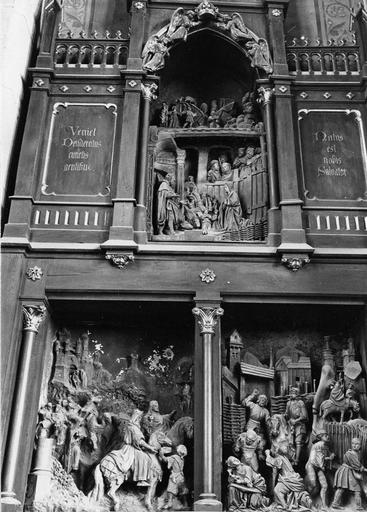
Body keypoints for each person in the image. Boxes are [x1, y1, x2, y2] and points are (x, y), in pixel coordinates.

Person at [108, 409, 157, 487]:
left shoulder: (129, 425)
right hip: (130, 448)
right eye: (140, 418)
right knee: (144, 457)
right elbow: (139, 440)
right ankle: (141, 479)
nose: (140, 420)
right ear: (137, 418)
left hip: (125, 446)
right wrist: (149, 447)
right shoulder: (134, 427)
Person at [265, 440, 313, 510]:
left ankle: (285, 505)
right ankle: (293, 504)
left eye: (287, 447)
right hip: (294, 478)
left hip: (288, 479)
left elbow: (271, 462)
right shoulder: (284, 457)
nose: (286, 449)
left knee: (277, 490)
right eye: (285, 447)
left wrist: (267, 454)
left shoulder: (280, 458)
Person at [331, 437, 367, 510]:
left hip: (350, 472)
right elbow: (356, 465)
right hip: (345, 472)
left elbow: (357, 464)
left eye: (357, 444)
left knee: (356, 489)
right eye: (353, 443)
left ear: (360, 445)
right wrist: (364, 469)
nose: (354, 445)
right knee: (342, 488)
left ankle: (359, 507)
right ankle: (335, 504)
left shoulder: (356, 453)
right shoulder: (350, 453)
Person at [306, 429, 335, 509]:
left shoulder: (325, 446)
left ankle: (324, 505)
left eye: (327, 435)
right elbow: (319, 459)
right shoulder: (320, 444)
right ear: (320, 437)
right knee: (313, 484)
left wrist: (330, 456)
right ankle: (306, 499)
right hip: (311, 466)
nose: (328, 436)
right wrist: (329, 457)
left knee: (325, 486)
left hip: (318, 467)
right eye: (325, 435)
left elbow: (325, 457)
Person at [242, 389, 270, 457]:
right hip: (250, 425)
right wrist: (253, 395)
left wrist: (270, 424)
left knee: (262, 440)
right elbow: (245, 402)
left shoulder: (266, 411)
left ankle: (260, 454)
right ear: (258, 400)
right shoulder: (253, 405)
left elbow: (267, 421)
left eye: (264, 400)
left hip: (259, 428)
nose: (263, 401)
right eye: (261, 399)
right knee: (250, 438)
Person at [285, 387, 308, 465]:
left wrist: (296, 421)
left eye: (294, 393)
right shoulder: (288, 403)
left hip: (299, 424)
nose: (292, 394)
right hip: (291, 424)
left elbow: (304, 416)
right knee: (288, 440)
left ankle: (297, 460)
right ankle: (290, 457)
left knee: (297, 442)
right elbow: (287, 414)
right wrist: (285, 416)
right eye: (291, 392)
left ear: (297, 394)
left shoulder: (300, 403)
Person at [162, 445, 189, 509]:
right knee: (181, 490)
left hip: (175, 476)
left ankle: (169, 503)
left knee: (170, 490)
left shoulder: (174, 457)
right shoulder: (182, 459)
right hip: (181, 476)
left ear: (178, 450)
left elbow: (165, 460)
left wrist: (161, 454)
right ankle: (184, 504)